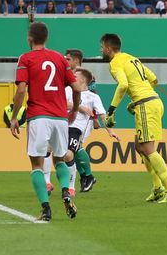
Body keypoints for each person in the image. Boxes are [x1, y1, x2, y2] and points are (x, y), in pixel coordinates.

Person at [10, 22, 82, 221]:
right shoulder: (60, 58)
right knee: (60, 159)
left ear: (30, 38)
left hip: (39, 116)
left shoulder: (26, 58)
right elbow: (76, 88)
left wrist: (15, 117)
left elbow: (22, 89)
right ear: (47, 38)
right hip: (60, 117)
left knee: (37, 165)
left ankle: (46, 209)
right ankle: (66, 192)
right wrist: (74, 110)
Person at [100, 33, 167, 203]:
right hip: (153, 102)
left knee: (148, 148)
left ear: (108, 48)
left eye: (102, 47)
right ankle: (157, 188)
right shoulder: (131, 58)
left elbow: (123, 84)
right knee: (139, 146)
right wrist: (137, 98)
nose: (101, 50)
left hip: (146, 104)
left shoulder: (115, 63)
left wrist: (111, 110)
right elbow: (153, 78)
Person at [65, 68, 119, 193]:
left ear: (83, 80)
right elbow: (62, 102)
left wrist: (110, 131)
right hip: (63, 124)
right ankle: (86, 176)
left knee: (71, 151)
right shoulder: (68, 90)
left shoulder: (93, 97)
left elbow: (103, 115)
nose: (72, 77)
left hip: (79, 126)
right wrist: (81, 108)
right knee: (68, 153)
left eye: (75, 76)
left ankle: (80, 180)